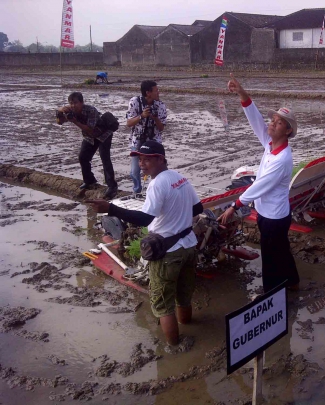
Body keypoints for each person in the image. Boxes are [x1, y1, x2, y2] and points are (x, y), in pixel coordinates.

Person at [86, 140, 203, 346]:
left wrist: (109, 208)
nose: (141, 164)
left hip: (167, 253)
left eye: (147, 159)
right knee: (183, 297)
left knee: (163, 305)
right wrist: (176, 217)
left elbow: (144, 219)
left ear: (160, 159)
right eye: (139, 159)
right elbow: (198, 208)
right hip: (188, 247)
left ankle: (174, 348)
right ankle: (188, 326)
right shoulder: (179, 178)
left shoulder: (157, 184)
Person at [219, 73, 300, 293]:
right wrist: (241, 92)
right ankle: (293, 281)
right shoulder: (270, 144)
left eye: (278, 122)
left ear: (288, 130)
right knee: (281, 250)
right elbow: (255, 119)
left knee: (271, 261)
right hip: (271, 213)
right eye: (273, 120)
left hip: (274, 217)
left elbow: (260, 185)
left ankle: (271, 297)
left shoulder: (282, 158)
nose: (272, 124)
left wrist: (235, 206)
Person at [56, 92, 118, 199]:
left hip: (103, 134)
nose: (73, 105)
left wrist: (74, 121)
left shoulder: (91, 110)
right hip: (90, 137)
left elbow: (90, 129)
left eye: (75, 103)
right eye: (71, 103)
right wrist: (60, 111)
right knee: (83, 157)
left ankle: (112, 186)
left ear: (82, 102)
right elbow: (59, 122)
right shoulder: (71, 111)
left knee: (105, 158)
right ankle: (89, 181)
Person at [126, 80, 167, 194]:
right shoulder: (135, 102)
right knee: (135, 171)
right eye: (156, 90)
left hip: (154, 142)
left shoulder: (160, 105)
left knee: (157, 170)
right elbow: (129, 123)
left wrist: (155, 118)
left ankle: (154, 192)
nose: (158, 93)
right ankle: (137, 192)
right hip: (137, 141)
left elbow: (161, 128)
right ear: (148, 93)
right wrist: (142, 116)